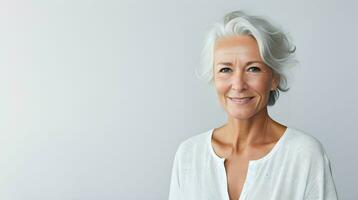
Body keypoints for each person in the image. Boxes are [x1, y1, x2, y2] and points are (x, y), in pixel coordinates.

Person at [168, 10, 338, 200]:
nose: (238, 85)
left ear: (274, 78)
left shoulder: (304, 155)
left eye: (253, 69)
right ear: (214, 78)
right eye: (225, 69)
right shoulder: (189, 155)